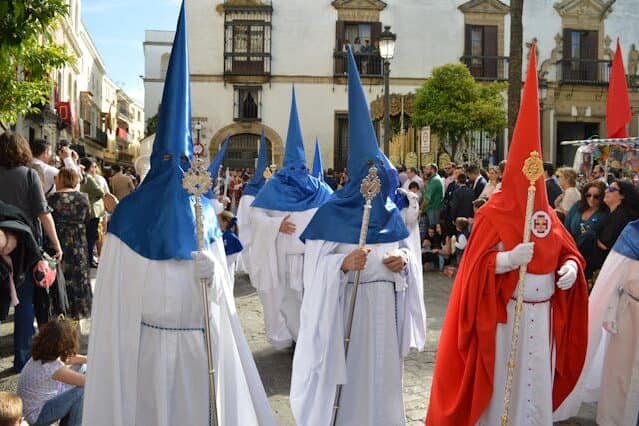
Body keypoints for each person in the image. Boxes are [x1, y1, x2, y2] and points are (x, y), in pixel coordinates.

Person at [82, 6, 275, 425]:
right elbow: (114, 305)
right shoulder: (130, 219)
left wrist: (216, 276)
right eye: (169, 159)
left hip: (197, 351)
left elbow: (223, 302)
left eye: (182, 160)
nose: (177, 169)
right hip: (146, 352)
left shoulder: (204, 213)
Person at [427, 46, 588, 426]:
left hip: (543, 315)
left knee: (535, 384)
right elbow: (473, 268)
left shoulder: (546, 214)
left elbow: (568, 252)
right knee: (505, 387)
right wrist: (508, 260)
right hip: (505, 317)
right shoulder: (493, 213)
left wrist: (569, 268)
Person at [291, 47, 426, 425]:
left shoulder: (391, 216)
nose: (378, 184)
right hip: (348, 317)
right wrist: (340, 264)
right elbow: (313, 273)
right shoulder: (330, 214)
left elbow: (408, 253)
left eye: (382, 178)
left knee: (382, 385)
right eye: (372, 177)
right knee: (351, 392)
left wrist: (406, 263)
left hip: (385, 313)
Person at [250, 87, 333, 349]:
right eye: (293, 167)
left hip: (312, 255)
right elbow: (256, 213)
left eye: (301, 167)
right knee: (286, 298)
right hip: (284, 254)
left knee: (310, 297)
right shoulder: (274, 186)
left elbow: (334, 211)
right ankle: (294, 337)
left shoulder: (319, 188)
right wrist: (276, 225)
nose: (298, 173)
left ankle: (309, 338)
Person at [0, 132, 63, 372]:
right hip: (24, 249)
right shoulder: (29, 176)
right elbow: (43, 214)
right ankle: (22, 359)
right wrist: (56, 245)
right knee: (24, 303)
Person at [17, 318, 86, 426]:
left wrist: (90, 359)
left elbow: (68, 359)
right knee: (82, 391)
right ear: (64, 343)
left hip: (32, 408)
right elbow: (87, 381)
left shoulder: (42, 353)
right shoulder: (52, 368)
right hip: (36, 417)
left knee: (83, 367)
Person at [47, 168, 91, 319]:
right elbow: (87, 220)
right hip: (78, 242)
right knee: (79, 277)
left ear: (61, 179)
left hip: (57, 242)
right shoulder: (83, 198)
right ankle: (78, 312)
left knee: (59, 277)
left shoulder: (51, 199)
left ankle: (59, 310)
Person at [236, 130, 269, 280]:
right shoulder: (250, 194)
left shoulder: (260, 191)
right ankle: (250, 270)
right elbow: (246, 216)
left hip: (257, 229)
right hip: (251, 229)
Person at [589, 179, 639, 274]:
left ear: (622, 195)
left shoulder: (620, 215)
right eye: (607, 187)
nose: (606, 191)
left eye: (611, 189)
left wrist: (589, 235)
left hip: (609, 267)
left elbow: (604, 244)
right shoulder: (616, 212)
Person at [563, 181, 608, 279]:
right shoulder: (577, 206)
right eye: (588, 195)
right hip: (570, 249)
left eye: (596, 196)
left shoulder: (605, 213)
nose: (591, 199)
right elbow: (566, 228)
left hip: (588, 257)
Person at [79, 158, 104, 269]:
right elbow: (100, 192)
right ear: (89, 167)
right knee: (91, 237)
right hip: (92, 211)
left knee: (86, 236)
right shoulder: (88, 178)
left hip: (83, 211)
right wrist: (95, 196)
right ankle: (89, 260)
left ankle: (87, 259)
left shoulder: (80, 176)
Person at [421, 163, 444, 229]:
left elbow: (427, 199)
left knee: (432, 229)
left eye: (427, 169)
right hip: (432, 208)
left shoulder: (434, 180)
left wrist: (420, 209)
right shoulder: (434, 178)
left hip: (433, 209)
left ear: (433, 170)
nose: (425, 170)